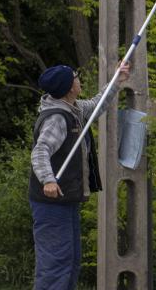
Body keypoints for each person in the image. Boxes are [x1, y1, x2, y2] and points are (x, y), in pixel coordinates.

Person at [29, 62, 130, 289]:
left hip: (66, 202)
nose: (78, 79)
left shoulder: (72, 109)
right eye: (75, 77)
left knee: (70, 262)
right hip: (51, 204)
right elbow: (40, 152)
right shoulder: (57, 118)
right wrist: (48, 179)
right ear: (68, 88)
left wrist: (117, 80)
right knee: (55, 265)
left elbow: (97, 105)